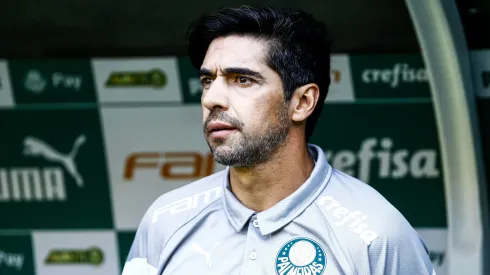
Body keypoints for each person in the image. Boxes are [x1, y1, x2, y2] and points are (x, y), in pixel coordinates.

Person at [122, 5, 436, 275]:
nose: (212, 98)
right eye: (208, 80)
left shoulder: (376, 234)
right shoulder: (165, 219)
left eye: (241, 80)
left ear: (302, 103)